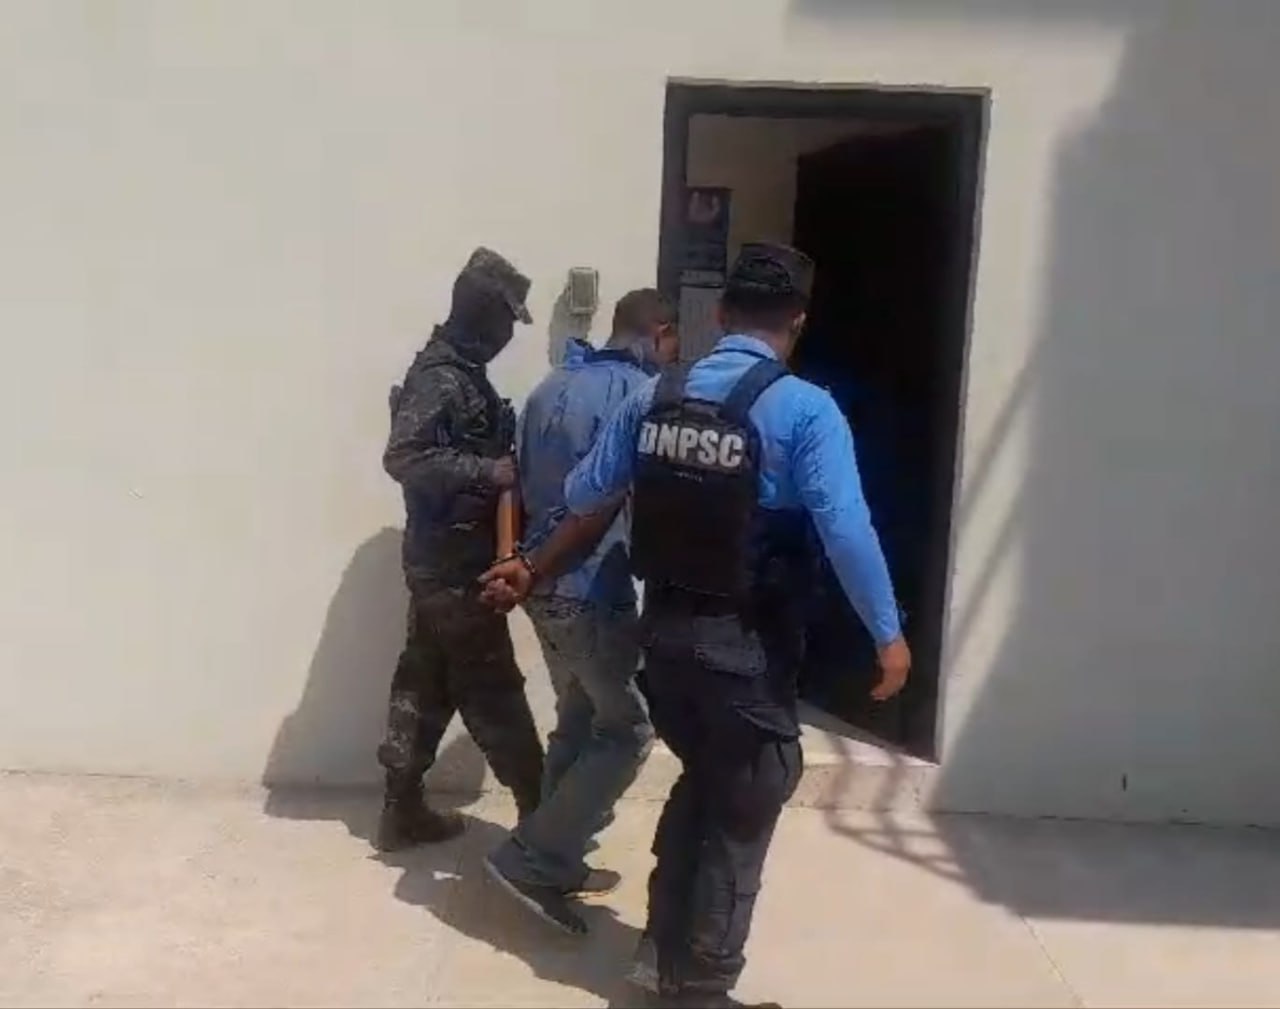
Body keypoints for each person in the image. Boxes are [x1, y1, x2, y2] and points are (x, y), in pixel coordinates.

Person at [480, 243, 911, 1008]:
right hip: (745, 650)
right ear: (798, 321)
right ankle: (701, 988)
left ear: (720, 313)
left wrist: (535, 560)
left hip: (665, 644)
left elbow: (584, 493)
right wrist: (888, 634)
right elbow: (846, 528)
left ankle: (660, 957)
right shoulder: (805, 410)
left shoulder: (654, 396)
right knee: (749, 794)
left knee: (704, 784)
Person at [483, 290, 680, 934]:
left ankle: (555, 859)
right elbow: (611, 504)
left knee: (578, 720)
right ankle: (535, 857)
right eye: (672, 343)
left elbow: (513, 482)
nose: (672, 357)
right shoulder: (637, 395)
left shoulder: (549, 386)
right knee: (628, 731)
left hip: (537, 585)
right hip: (589, 587)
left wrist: (515, 561)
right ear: (658, 332)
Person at [375, 246, 545, 852]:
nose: (508, 336)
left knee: (427, 681)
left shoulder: (461, 373)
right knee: (494, 687)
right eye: (507, 321)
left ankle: (402, 811)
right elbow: (404, 456)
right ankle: (541, 821)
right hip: (451, 567)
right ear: (484, 315)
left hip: (448, 561)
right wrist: (487, 470)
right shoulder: (440, 378)